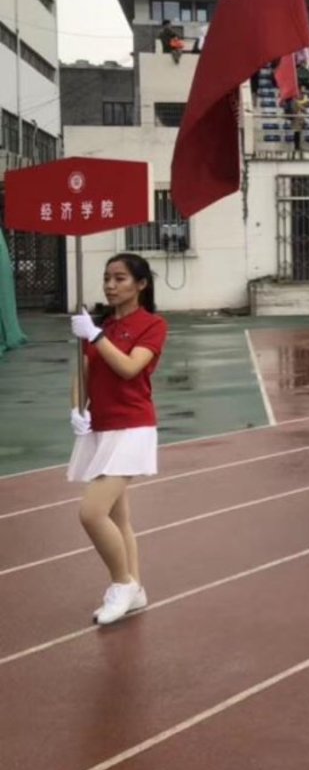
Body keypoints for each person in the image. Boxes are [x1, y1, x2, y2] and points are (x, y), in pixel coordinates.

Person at [67, 253, 168, 625]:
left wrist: (95, 335)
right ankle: (136, 589)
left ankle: (121, 582)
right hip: (101, 428)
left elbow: (129, 368)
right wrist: (76, 409)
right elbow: (83, 374)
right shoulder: (102, 326)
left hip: (132, 427)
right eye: (107, 278)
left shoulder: (152, 325)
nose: (110, 285)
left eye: (120, 278)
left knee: (91, 513)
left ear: (141, 284)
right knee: (117, 517)